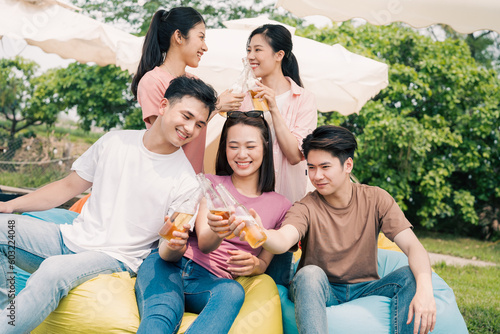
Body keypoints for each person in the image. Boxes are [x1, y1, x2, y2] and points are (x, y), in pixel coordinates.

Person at [0, 76, 217, 333]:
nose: (190, 128)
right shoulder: (114, 142)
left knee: (52, 271)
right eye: (186, 116)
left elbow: (166, 250)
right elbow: (67, 187)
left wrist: (174, 244)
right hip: (69, 238)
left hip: (115, 257)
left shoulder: (187, 182)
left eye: (199, 124)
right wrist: (10, 206)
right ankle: (8, 313)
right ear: (163, 106)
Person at [230, 125, 437, 334]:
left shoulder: (376, 199)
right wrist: (262, 233)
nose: (317, 176)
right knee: (308, 274)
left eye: (325, 167)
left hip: (365, 288)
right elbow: (283, 239)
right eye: (311, 167)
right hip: (321, 288)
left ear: (348, 165)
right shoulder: (306, 206)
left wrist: (425, 290)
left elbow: (413, 247)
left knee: (412, 276)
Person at [135, 110, 292, 333]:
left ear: (265, 147)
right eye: (233, 145)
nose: (241, 154)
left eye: (250, 146)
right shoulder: (209, 183)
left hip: (210, 282)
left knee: (232, 292)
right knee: (163, 314)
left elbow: (264, 262)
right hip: (169, 265)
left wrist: (256, 265)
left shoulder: (282, 205)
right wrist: (222, 229)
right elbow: (207, 243)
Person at [132, 7, 245, 173]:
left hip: (193, 178)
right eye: (201, 37)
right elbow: (164, 140)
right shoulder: (153, 82)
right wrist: (217, 106)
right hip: (165, 179)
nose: (205, 47)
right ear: (178, 36)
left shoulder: (195, 82)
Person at [240, 24, 318, 203]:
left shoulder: (304, 99)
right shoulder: (245, 98)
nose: (250, 56)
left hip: (289, 200)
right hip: (251, 199)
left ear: (279, 55)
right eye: (248, 50)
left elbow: (294, 156)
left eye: (258, 50)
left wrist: (274, 108)